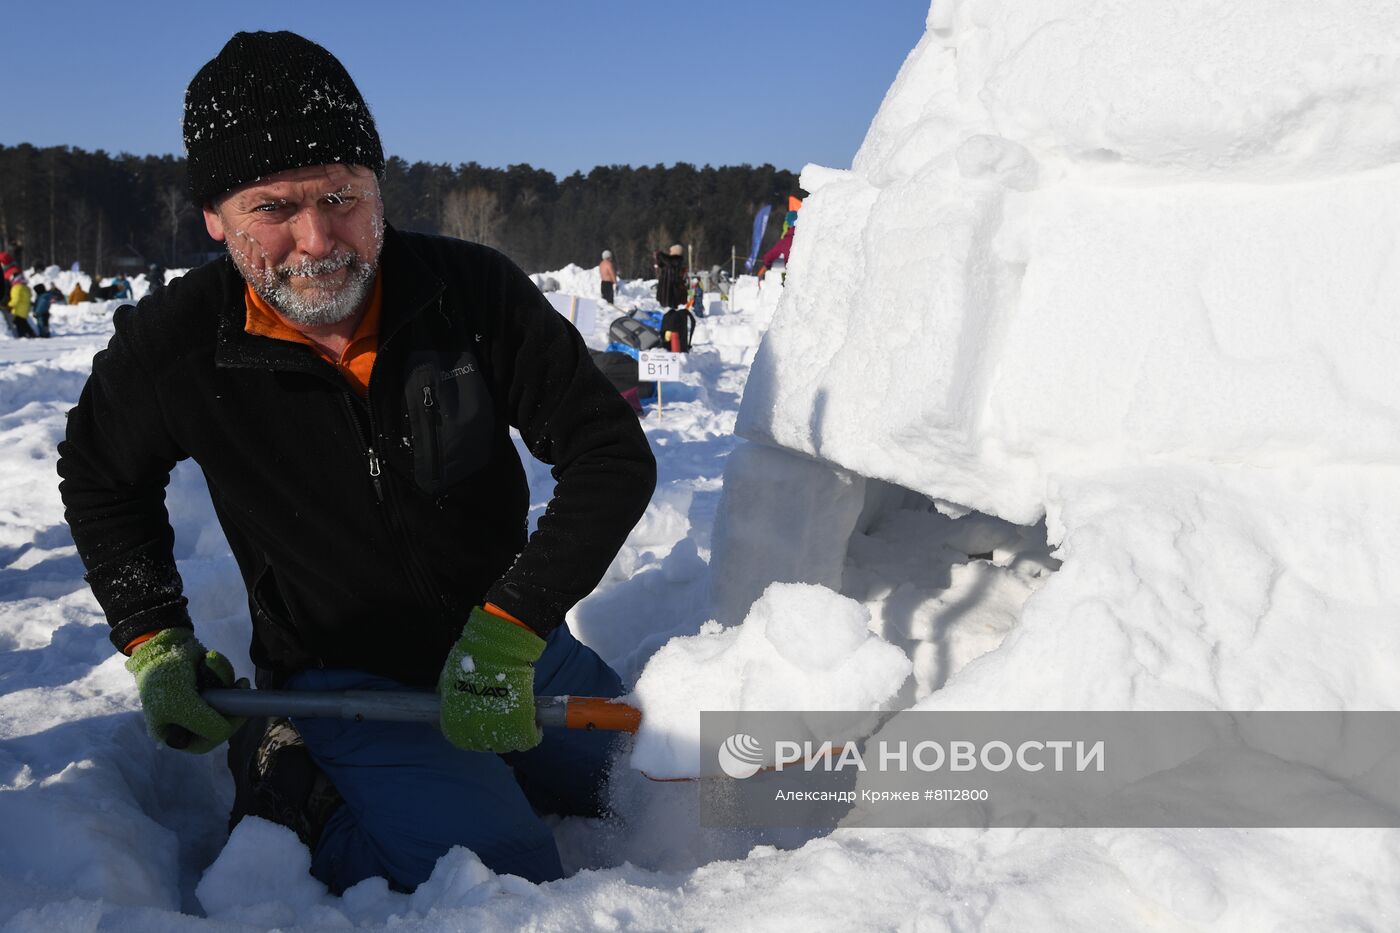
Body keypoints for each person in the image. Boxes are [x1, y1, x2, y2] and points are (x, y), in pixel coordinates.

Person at [57, 31, 656, 895]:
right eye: (272, 208)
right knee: (504, 873)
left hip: (508, 646)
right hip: (349, 678)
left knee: (657, 783)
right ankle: (302, 790)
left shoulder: (470, 290)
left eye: (342, 195)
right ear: (215, 221)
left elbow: (609, 453)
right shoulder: (177, 344)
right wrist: (154, 637)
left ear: (379, 188)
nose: (317, 238)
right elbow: (99, 473)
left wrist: (514, 623)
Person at [652, 243, 686, 309]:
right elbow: (662, 264)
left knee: (670, 307)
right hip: (665, 288)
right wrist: (658, 258)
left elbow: (668, 261)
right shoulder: (671, 260)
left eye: (671, 251)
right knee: (664, 306)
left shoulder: (677, 260)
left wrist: (660, 254)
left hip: (671, 289)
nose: (670, 252)